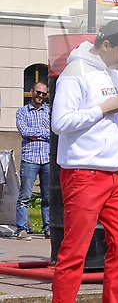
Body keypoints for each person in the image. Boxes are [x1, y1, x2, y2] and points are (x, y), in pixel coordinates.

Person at [51, 19, 118, 303]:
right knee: (74, 253)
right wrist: (103, 109)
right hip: (83, 173)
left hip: (115, 174)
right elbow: (59, 122)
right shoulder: (75, 73)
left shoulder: (114, 74)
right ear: (105, 46)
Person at [15, 82, 50, 241]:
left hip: (47, 159)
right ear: (31, 92)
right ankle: (21, 229)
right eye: (38, 92)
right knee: (25, 196)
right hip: (30, 159)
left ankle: (48, 228)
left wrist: (36, 135)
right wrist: (44, 133)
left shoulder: (49, 112)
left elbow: (54, 133)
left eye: (43, 93)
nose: (40, 96)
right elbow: (24, 131)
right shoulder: (22, 112)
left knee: (48, 197)